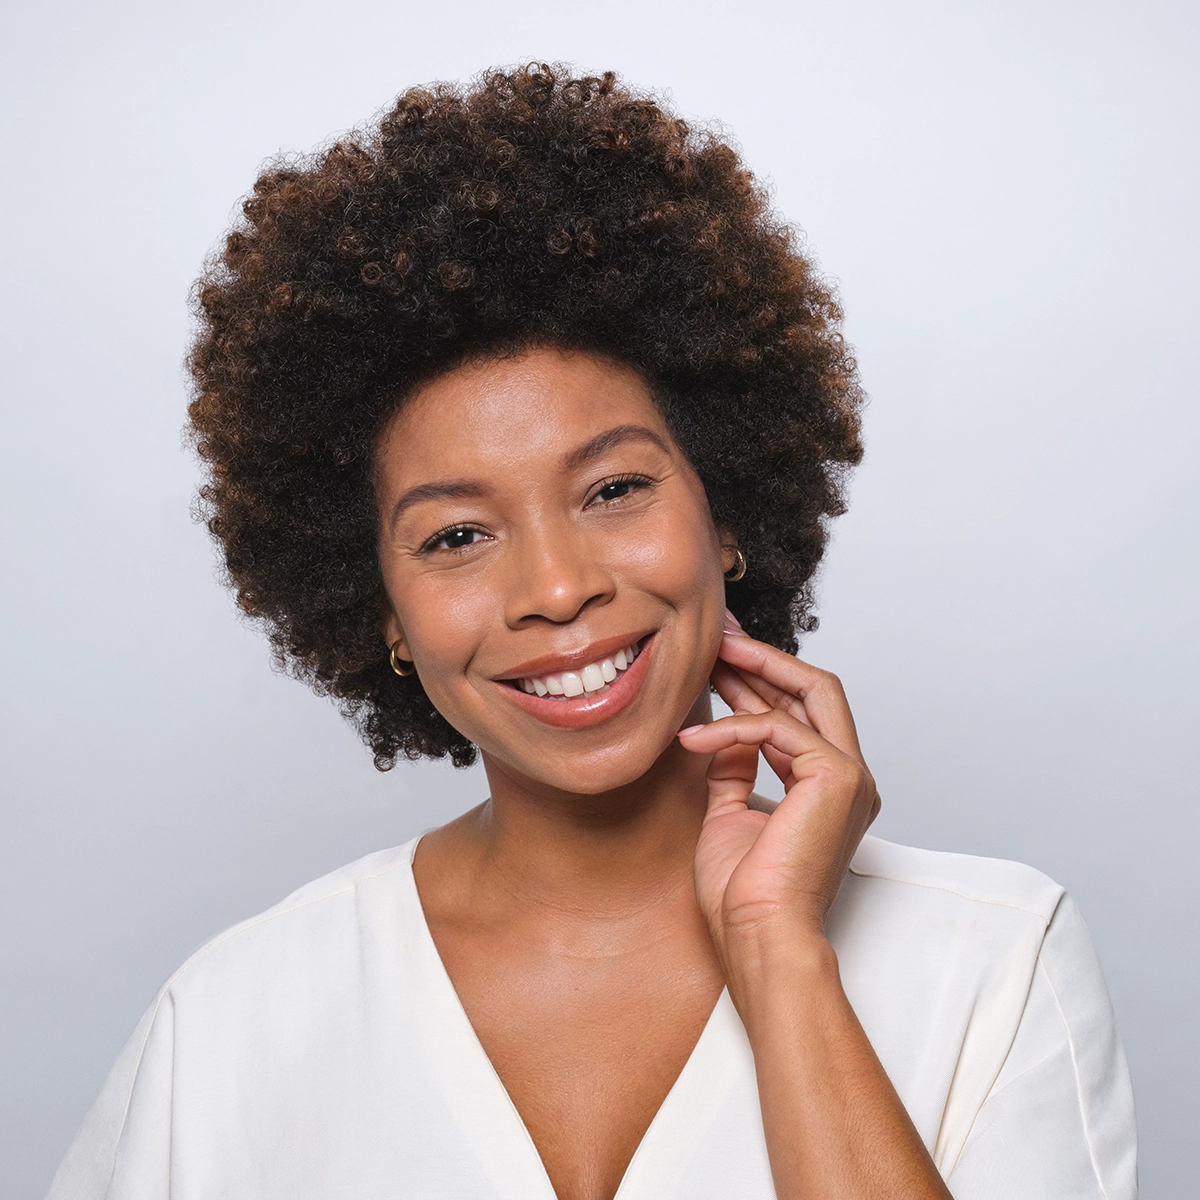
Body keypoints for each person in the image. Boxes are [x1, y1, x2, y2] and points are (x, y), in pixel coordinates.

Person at [47, 64, 1137, 1200]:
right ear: (383, 615)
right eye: (457, 536)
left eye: (613, 490)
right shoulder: (232, 1022)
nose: (557, 590)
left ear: (724, 516)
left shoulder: (996, 960)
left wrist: (781, 958)